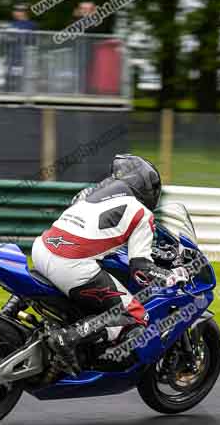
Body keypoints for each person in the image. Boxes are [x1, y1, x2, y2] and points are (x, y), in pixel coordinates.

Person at [31, 154, 189, 374]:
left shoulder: (91, 193)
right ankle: (68, 338)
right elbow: (141, 270)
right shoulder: (142, 212)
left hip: (41, 248)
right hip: (70, 265)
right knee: (136, 316)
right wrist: (172, 276)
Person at [4, 4, 36, 92]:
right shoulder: (12, 24)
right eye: (15, 11)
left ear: (24, 12)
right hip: (12, 57)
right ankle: (9, 94)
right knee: (10, 76)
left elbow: (32, 40)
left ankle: (21, 94)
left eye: (18, 11)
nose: (15, 13)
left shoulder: (31, 25)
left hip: (23, 57)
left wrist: (18, 35)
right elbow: (5, 38)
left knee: (22, 77)